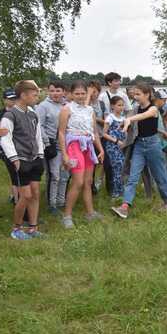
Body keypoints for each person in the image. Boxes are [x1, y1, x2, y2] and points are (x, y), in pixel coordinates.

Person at [111, 83, 167, 219]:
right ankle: (124, 207)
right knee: (133, 177)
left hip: (153, 145)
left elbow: (145, 115)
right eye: (134, 94)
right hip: (139, 145)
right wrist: (124, 124)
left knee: (160, 176)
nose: (135, 96)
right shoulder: (135, 108)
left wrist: (129, 119)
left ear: (147, 95)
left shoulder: (153, 108)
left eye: (138, 94)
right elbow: (132, 122)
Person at [0, 80, 46, 240]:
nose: (37, 97)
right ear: (23, 95)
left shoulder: (33, 114)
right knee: (25, 195)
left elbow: (37, 136)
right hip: (20, 160)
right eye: (34, 95)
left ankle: (33, 228)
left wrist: (40, 155)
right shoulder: (9, 115)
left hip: (35, 159)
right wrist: (14, 159)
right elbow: (5, 138)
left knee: (35, 194)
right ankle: (16, 229)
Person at [58, 81, 105, 229]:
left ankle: (90, 213)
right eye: (77, 93)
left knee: (88, 182)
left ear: (86, 94)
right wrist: (64, 154)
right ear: (71, 94)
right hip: (74, 145)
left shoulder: (90, 110)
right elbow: (61, 132)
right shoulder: (67, 109)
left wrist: (101, 148)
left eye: (82, 93)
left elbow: (94, 132)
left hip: (88, 145)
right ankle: (67, 216)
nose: (80, 96)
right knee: (77, 182)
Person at [35, 80, 70, 214]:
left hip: (67, 144)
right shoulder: (43, 106)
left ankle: (62, 201)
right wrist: (47, 143)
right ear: (48, 91)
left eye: (58, 90)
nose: (55, 93)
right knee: (54, 175)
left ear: (64, 92)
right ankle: (52, 204)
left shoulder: (67, 106)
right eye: (52, 90)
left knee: (65, 174)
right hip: (52, 145)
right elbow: (39, 126)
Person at [0, 89, 17, 204]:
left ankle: (14, 194)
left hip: (18, 145)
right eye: (10, 99)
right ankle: (16, 197)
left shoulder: (20, 112)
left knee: (16, 171)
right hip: (2, 146)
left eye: (14, 98)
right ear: (4, 100)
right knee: (14, 169)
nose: (12, 101)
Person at [102, 96, 127, 199]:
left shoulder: (124, 118)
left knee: (121, 168)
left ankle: (121, 190)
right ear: (112, 106)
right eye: (119, 105)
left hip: (122, 146)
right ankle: (115, 192)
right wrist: (116, 141)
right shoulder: (110, 118)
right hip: (112, 147)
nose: (121, 107)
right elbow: (104, 134)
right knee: (116, 168)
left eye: (122, 105)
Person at [87, 80, 109, 194]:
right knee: (92, 164)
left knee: (105, 162)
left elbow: (106, 120)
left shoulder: (101, 104)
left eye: (94, 91)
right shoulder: (85, 103)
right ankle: (91, 187)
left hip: (101, 136)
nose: (92, 94)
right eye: (90, 91)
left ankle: (108, 187)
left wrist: (97, 120)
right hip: (89, 138)